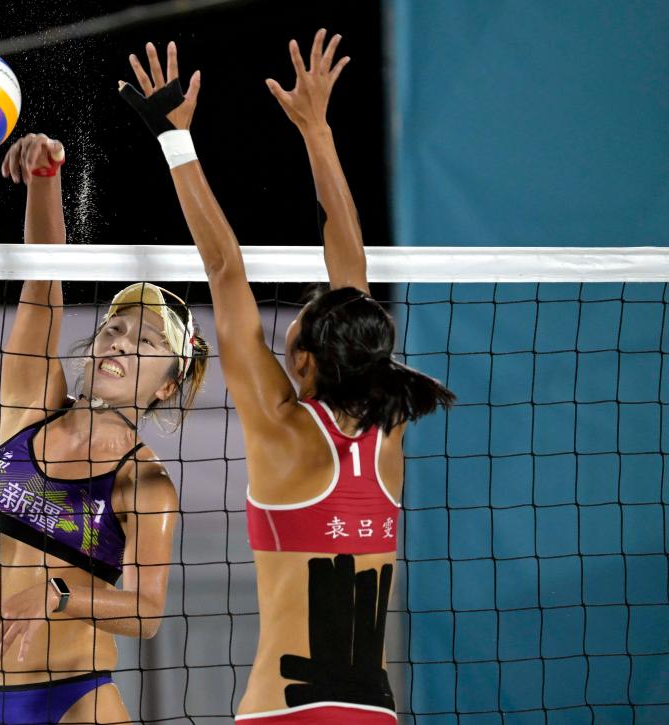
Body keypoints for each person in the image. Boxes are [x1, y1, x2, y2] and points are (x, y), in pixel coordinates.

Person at [119, 32, 454, 723]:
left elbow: (226, 268)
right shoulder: (387, 431)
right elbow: (349, 263)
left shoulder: (281, 427)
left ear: (303, 363)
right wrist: (316, 129)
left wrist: (176, 139)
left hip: (284, 711)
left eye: (290, 334)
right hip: (373, 714)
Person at [0, 133, 209, 724]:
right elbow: (43, 281)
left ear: (168, 386)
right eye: (116, 328)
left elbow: (146, 612)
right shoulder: (30, 404)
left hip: (75, 697)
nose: (121, 343)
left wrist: (57, 595)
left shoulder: (146, 483)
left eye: (147, 342)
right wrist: (45, 179)